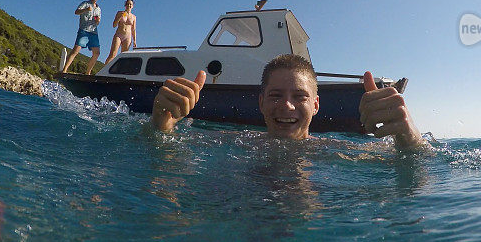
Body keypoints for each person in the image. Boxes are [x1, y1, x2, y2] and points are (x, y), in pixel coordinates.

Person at [150, 54, 431, 152]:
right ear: (260, 103)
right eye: (275, 96)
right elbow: (162, 151)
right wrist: (161, 127)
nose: (287, 106)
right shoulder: (233, 142)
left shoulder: (337, 151)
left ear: (316, 105)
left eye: (300, 96)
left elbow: (416, 168)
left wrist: (409, 136)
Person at [61, 0, 103, 75]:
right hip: (84, 30)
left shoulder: (99, 9)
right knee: (76, 51)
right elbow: (76, 12)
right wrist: (86, 10)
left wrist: (97, 20)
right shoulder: (85, 3)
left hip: (93, 32)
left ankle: (88, 72)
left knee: (97, 53)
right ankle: (64, 70)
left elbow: (98, 22)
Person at [104, 0, 137, 64]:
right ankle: (103, 71)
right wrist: (119, 17)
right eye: (127, 4)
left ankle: (120, 72)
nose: (129, 5)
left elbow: (133, 29)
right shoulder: (120, 13)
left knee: (124, 56)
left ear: (132, 6)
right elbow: (114, 25)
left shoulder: (134, 17)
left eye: (130, 4)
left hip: (128, 36)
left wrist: (134, 40)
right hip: (119, 35)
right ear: (125, 5)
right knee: (112, 54)